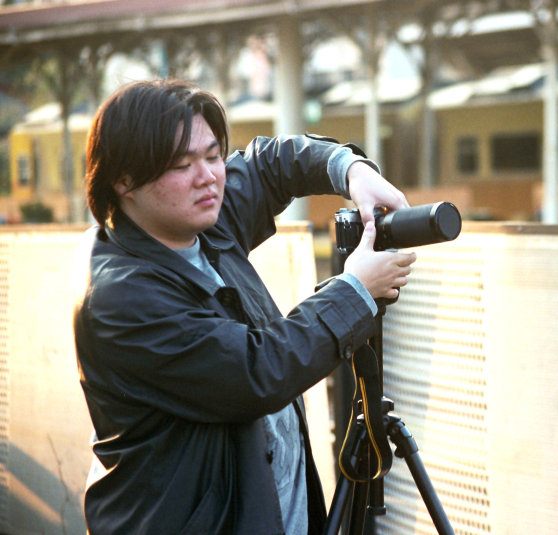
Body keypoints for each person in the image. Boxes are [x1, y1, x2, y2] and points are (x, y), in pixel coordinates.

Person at [73, 79, 417, 534]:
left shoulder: (199, 223)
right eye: (182, 165)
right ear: (124, 180)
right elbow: (256, 371)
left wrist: (350, 169)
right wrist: (354, 291)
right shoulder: (122, 298)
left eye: (213, 156)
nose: (208, 177)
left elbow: (270, 165)